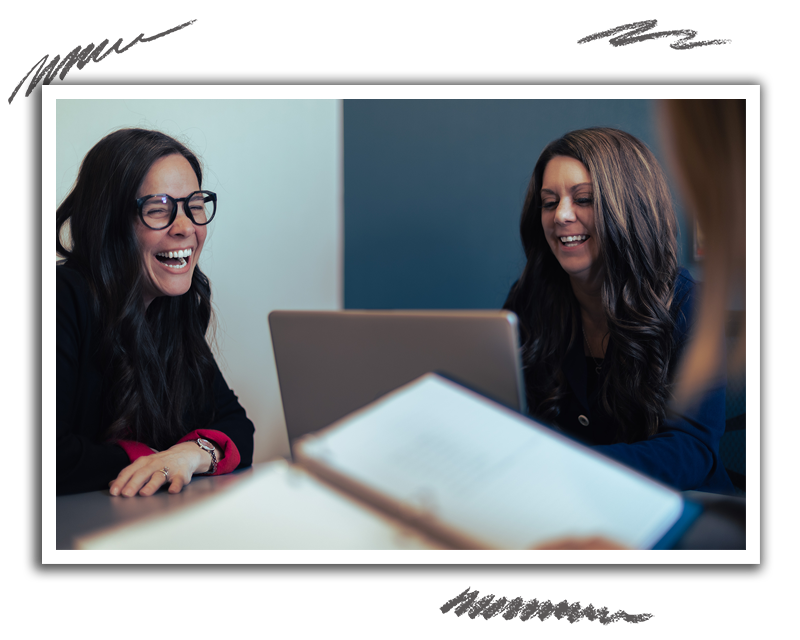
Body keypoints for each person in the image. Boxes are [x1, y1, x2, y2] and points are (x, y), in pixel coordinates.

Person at [503, 126, 735, 497]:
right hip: (565, 504)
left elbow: (692, 449)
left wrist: (572, 470)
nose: (561, 215)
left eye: (584, 199)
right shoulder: (530, 300)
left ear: (628, 207)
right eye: (549, 202)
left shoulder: (689, 306)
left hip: (680, 508)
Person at [56, 128, 255, 497]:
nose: (185, 228)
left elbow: (238, 425)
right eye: (158, 209)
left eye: (194, 205)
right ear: (109, 222)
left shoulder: (172, 307)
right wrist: (153, 459)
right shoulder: (61, 297)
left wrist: (191, 455)